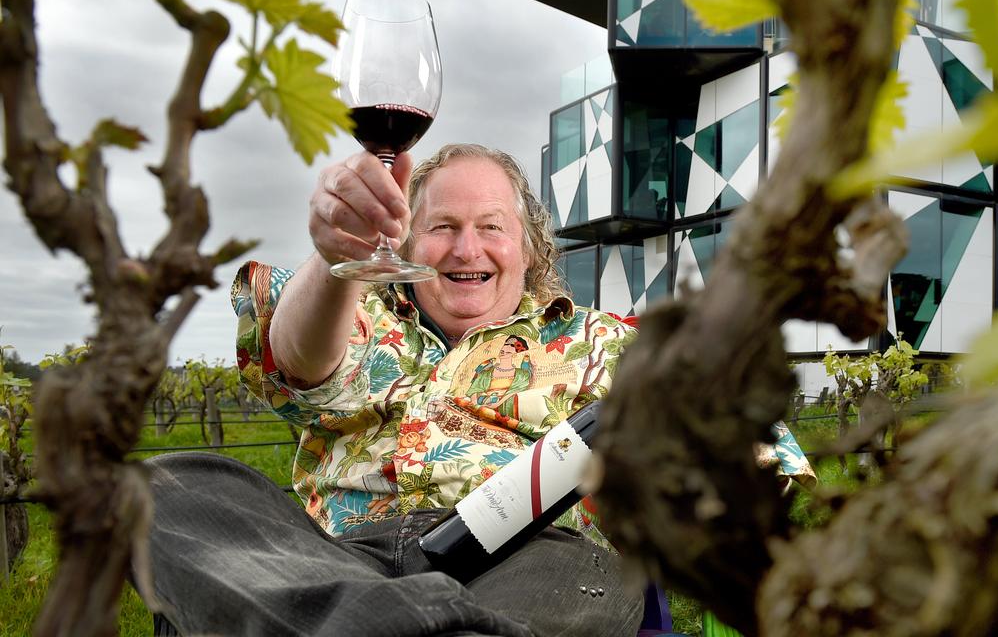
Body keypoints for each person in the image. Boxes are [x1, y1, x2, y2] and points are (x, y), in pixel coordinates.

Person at [145, 144, 646, 636]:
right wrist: (337, 257)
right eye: (442, 226)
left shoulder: (599, 341)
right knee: (169, 487)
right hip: (341, 557)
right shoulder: (354, 308)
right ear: (406, 241)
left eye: (491, 226)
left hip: (527, 560)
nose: (466, 249)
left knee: (591, 577)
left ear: (530, 246)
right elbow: (298, 357)